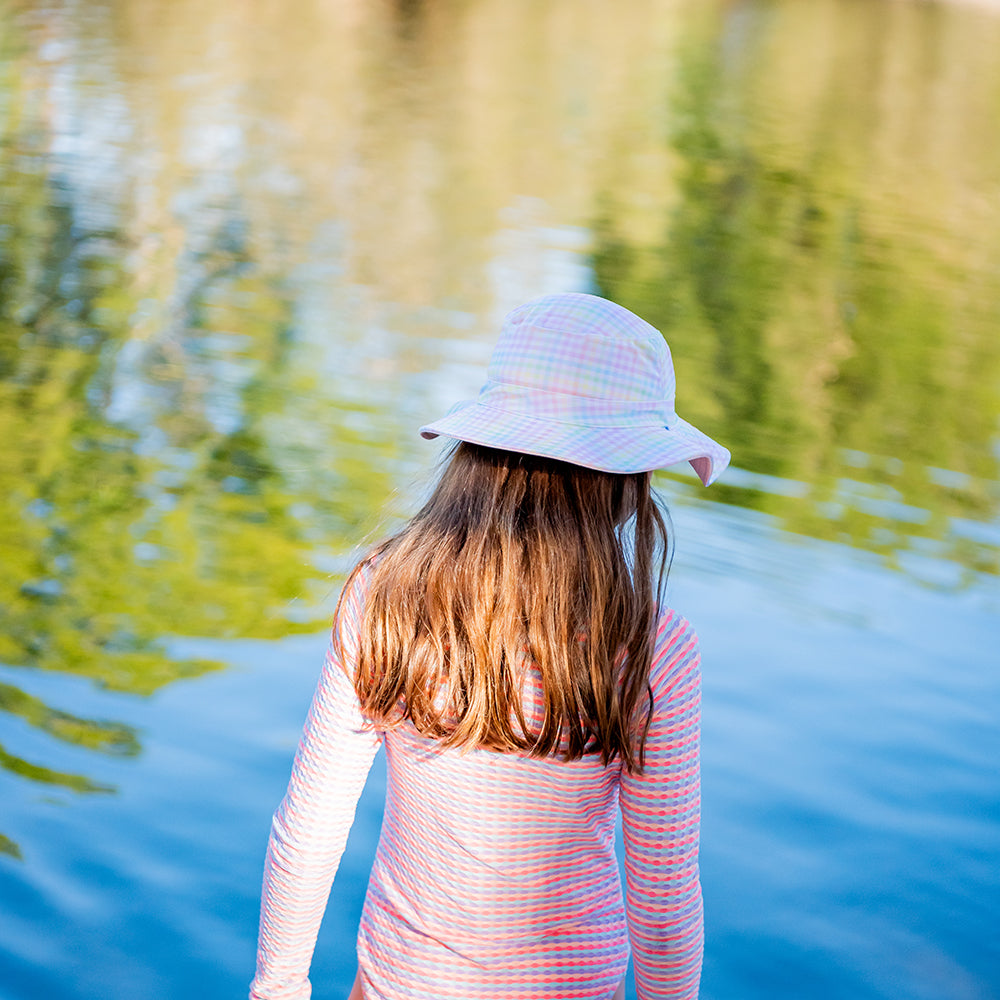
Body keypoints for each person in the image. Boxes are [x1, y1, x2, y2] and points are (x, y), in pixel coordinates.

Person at [249, 292, 730, 1000]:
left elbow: (309, 829)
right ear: (627, 481)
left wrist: (278, 987)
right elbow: (661, 897)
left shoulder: (385, 595)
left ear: (478, 449)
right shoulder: (651, 648)